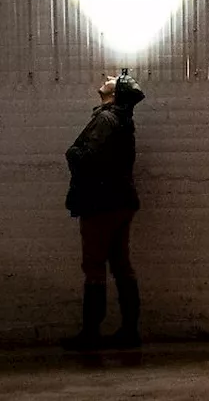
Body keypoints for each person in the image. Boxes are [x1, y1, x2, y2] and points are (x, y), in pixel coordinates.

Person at [62, 71, 146, 351]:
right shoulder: (123, 120)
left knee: (94, 267)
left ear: (116, 93)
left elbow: (88, 158)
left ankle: (91, 333)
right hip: (121, 202)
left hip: (101, 203)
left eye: (113, 79)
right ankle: (129, 331)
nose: (108, 76)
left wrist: (72, 153)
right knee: (122, 266)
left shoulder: (106, 119)